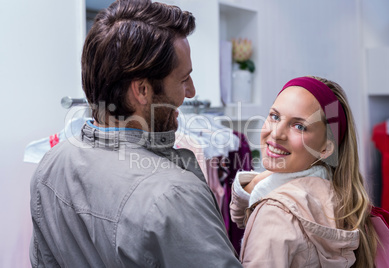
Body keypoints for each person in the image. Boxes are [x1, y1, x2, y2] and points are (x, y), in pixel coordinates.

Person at [29, 0, 242, 267]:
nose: (192, 92)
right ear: (142, 90)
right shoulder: (174, 195)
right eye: (183, 79)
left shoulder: (51, 164)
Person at [230, 76, 378, 267]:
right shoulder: (340, 198)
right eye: (274, 116)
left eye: (299, 126)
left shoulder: (275, 213)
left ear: (326, 148)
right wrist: (255, 184)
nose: (276, 133)